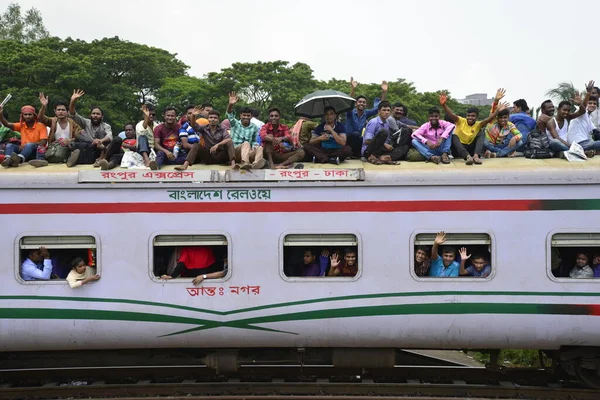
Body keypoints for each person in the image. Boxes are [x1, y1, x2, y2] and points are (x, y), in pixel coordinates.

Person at [439, 92, 502, 165]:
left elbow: (489, 119)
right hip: (459, 150)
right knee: (454, 136)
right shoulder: (461, 121)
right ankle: (467, 157)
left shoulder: (478, 124)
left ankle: (476, 156)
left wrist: (497, 111)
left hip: (471, 149)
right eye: (468, 116)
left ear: (476, 117)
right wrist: (444, 105)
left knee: (481, 132)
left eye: (473, 116)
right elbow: (451, 114)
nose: (470, 118)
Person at [546, 81, 595, 155]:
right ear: (558, 109)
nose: (566, 112)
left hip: (567, 144)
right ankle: (580, 152)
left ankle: (569, 152)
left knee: (593, 143)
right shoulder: (551, 122)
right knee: (555, 142)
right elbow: (557, 138)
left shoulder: (567, 118)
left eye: (568, 111)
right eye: (564, 110)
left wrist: (580, 103)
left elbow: (582, 112)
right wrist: (572, 146)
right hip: (557, 145)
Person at [68, 89, 113, 166]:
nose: (95, 115)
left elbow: (109, 136)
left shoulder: (106, 125)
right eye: (93, 113)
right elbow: (72, 114)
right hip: (89, 147)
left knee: (101, 133)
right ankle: (72, 158)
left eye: (98, 114)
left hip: (101, 149)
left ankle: (101, 159)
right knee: (78, 135)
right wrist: (73, 101)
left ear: (102, 117)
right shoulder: (86, 122)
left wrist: (100, 141)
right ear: (90, 115)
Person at [345, 77, 388, 157]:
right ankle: (350, 153)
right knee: (355, 134)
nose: (362, 103)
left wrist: (384, 92)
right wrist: (353, 89)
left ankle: (357, 154)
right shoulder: (350, 113)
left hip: (358, 140)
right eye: (360, 102)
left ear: (366, 105)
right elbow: (348, 105)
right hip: (348, 139)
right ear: (355, 104)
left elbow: (378, 108)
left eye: (364, 102)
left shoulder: (366, 113)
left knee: (362, 137)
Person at [37, 93, 82, 168]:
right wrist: (43, 106)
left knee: (75, 148)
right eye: (58, 110)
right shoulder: (52, 121)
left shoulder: (73, 123)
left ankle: (70, 161)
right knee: (40, 148)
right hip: (54, 147)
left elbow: (79, 136)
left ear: (67, 112)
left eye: (63, 110)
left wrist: (69, 140)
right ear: (55, 111)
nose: (61, 112)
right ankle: (42, 161)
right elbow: (40, 118)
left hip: (68, 147)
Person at [0, 104, 48, 168]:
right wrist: (0, 114)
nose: (27, 116)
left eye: (30, 114)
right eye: (25, 114)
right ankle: (8, 160)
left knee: (29, 145)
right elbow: (7, 124)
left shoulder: (41, 126)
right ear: (22, 116)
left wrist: (27, 145)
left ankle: (18, 160)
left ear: (34, 115)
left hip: (35, 151)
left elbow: (43, 142)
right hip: (23, 150)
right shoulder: (21, 125)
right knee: (9, 145)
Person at [226, 92, 264, 169]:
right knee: (246, 143)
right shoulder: (235, 124)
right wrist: (230, 104)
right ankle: (245, 163)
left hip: (247, 152)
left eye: (248, 115)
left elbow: (254, 141)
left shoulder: (254, 127)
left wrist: (255, 146)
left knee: (260, 148)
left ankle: (256, 164)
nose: (246, 117)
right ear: (240, 116)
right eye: (244, 115)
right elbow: (229, 114)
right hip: (235, 151)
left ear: (251, 116)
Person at [160, 246, 226, 286]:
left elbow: (182, 263)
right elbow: (214, 263)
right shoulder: (207, 248)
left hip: (191, 275)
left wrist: (172, 276)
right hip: (208, 274)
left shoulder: (187, 249)